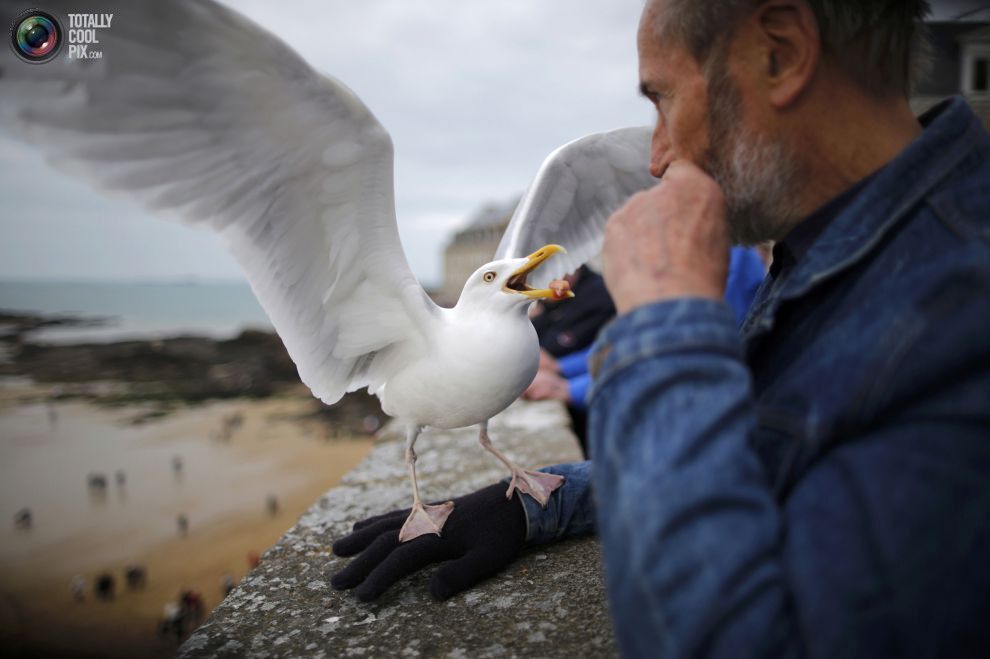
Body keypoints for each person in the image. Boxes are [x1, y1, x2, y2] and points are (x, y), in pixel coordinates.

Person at [332, 1, 990, 656]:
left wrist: (662, 318)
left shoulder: (962, 312)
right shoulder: (850, 255)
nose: (655, 157)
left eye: (662, 99)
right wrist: (537, 507)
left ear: (781, 55)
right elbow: (766, 467)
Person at [525, 249, 765, 454]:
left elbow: (680, 355)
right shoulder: (691, 251)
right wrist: (562, 369)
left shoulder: (716, 254)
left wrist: (569, 388)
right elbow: (634, 339)